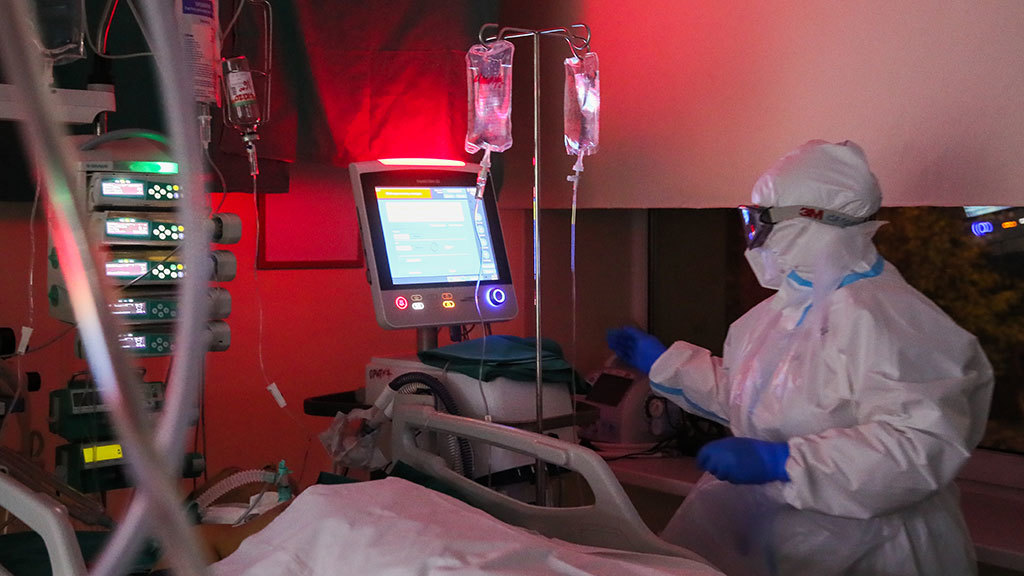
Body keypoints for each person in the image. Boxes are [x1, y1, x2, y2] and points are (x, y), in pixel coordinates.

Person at [608, 140, 994, 576]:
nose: (756, 236)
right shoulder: (775, 315)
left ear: (815, 220)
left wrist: (782, 462)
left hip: (877, 549)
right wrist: (666, 364)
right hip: (787, 538)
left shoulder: (890, 319)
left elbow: (918, 445)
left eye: (766, 219)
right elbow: (755, 396)